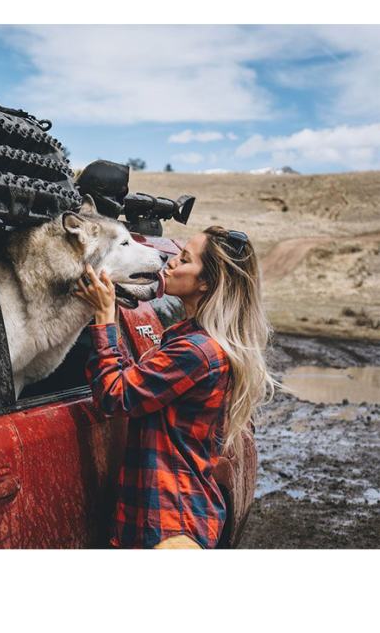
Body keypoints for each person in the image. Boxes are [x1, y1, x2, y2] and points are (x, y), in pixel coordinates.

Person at [73, 226, 276, 549]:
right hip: (170, 518)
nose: (170, 263)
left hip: (171, 526)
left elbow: (116, 396)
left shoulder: (197, 351)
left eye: (184, 259)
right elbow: (134, 379)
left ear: (207, 282)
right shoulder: (189, 339)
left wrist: (105, 318)